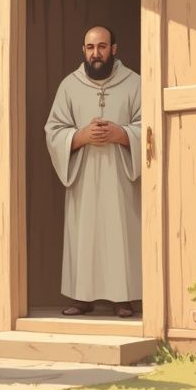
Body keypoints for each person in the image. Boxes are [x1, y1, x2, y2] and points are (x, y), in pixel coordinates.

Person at [44, 26, 142, 318]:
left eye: (101, 47)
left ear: (114, 49)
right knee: (84, 234)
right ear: (83, 50)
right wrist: (81, 136)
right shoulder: (69, 86)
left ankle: (123, 298)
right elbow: (53, 130)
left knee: (119, 233)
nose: (95, 53)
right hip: (84, 176)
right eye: (89, 47)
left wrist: (122, 133)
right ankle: (82, 297)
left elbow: (148, 127)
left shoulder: (134, 83)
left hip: (120, 177)